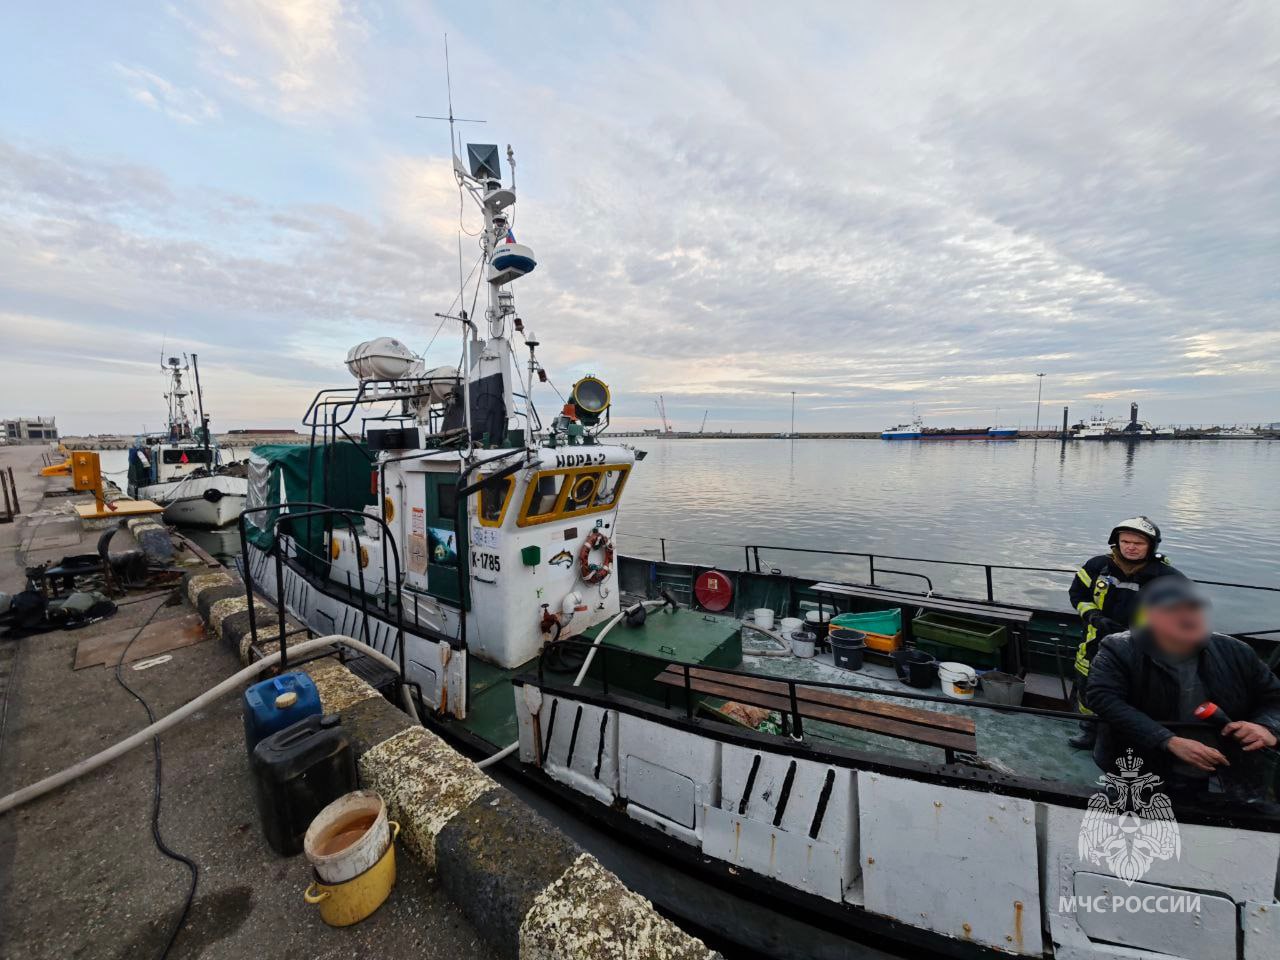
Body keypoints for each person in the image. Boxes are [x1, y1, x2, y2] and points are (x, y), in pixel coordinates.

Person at [1086, 577, 1280, 796]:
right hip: (1144, 769)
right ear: (1150, 617)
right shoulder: (1118, 648)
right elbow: (1103, 699)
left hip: (1230, 773)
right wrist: (1167, 740)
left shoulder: (1237, 651)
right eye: (1173, 610)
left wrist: (1267, 728)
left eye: (1194, 608)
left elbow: (1274, 699)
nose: (1187, 616)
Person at [1066, 516, 1180, 749]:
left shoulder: (1168, 577)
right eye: (1125, 541)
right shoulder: (1097, 566)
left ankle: (1123, 736)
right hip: (1095, 642)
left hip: (1142, 649)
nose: (1130, 547)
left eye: (1138, 543)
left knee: (1130, 693)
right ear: (1116, 542)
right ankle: (1090, 731)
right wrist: (1093, 616)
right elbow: (1078, 594)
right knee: (1088, 687)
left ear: (1151, 546)